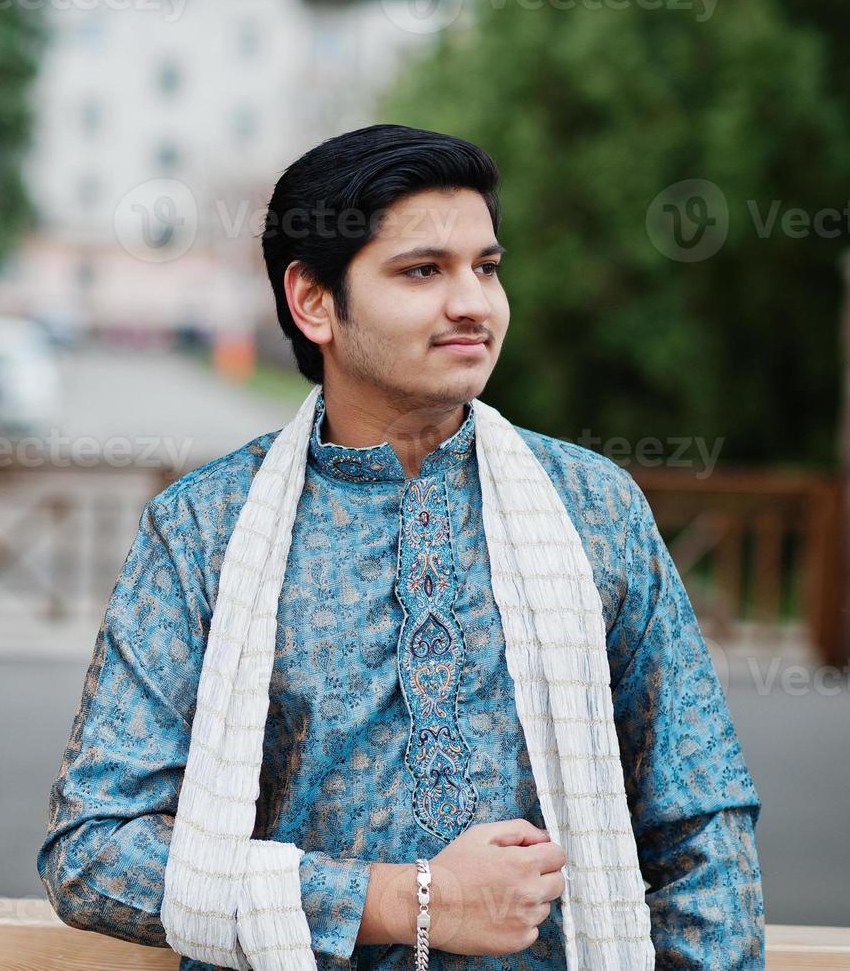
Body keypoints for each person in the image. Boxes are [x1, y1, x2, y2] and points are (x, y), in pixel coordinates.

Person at [37, 124, 763, 969]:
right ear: (313, 301)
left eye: (485, 268)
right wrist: (400, 900)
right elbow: (93, 851)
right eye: (423, 270)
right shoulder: (204, 528)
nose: (473, 303)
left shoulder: (592, 508)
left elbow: (700, 816)